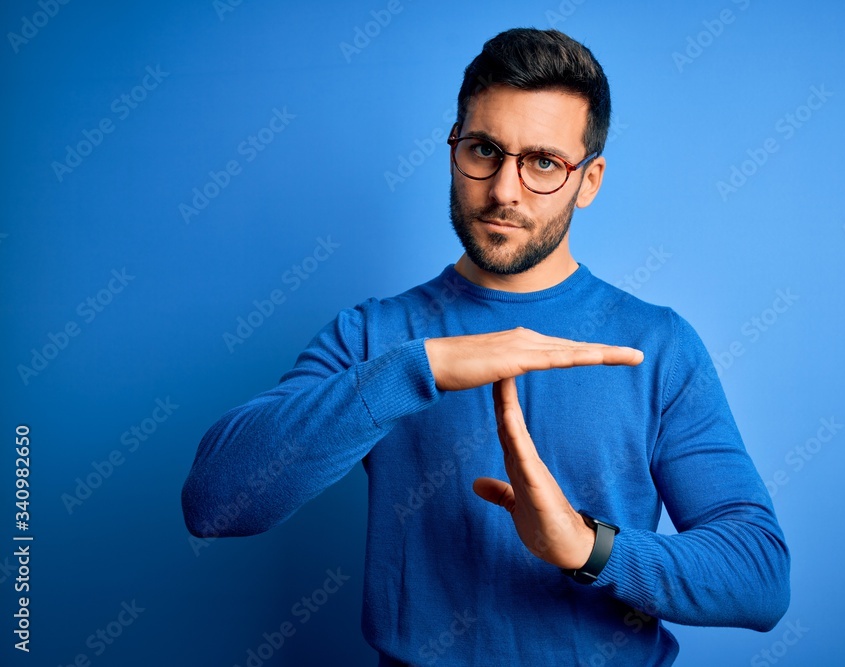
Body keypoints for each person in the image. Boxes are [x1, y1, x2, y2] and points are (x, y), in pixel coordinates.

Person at [182, 27, 790, 666]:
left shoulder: (657, 345)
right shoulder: (373, 336)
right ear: (453, 150)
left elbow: (758, 577)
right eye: (484, 150)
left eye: (544, 163)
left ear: (589, 180)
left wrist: (588, 548)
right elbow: (216, 502)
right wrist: (423, 366)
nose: (504, 189)